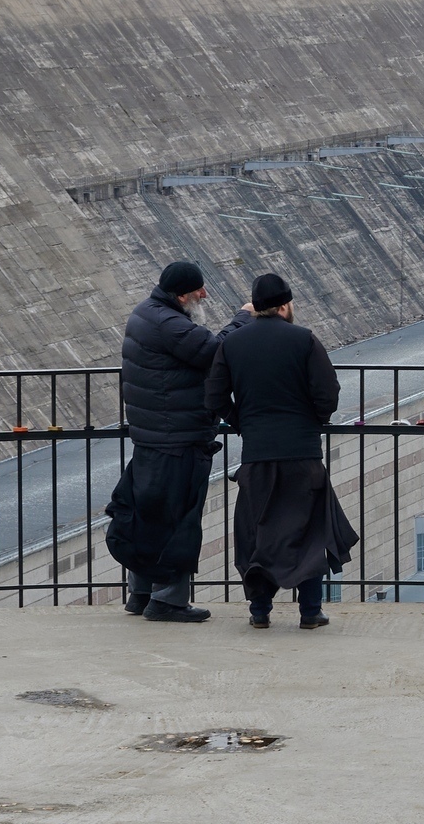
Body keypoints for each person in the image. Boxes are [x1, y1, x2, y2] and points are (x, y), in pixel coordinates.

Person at [207, 273, 359, 629]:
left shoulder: (232, 344)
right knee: (308, 533)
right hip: (302, 453)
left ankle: (260, 612)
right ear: (285, 306)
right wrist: (313, 421)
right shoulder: (304, 339)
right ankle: (310, 612)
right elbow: (328, 394)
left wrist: (243, 422)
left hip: (257, 454)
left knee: (258, 533)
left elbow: (213, 397)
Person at [106, 260, 249, 624]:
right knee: (177, 521)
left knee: (150, 517)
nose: (205, 294)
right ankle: (168, 601)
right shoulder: (168, 323)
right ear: (182, 295)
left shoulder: (146, 312)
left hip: (153, 436)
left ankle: (141, 593)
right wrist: (243, 319)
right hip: (177, 438)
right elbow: (214, 350)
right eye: (199, 289)